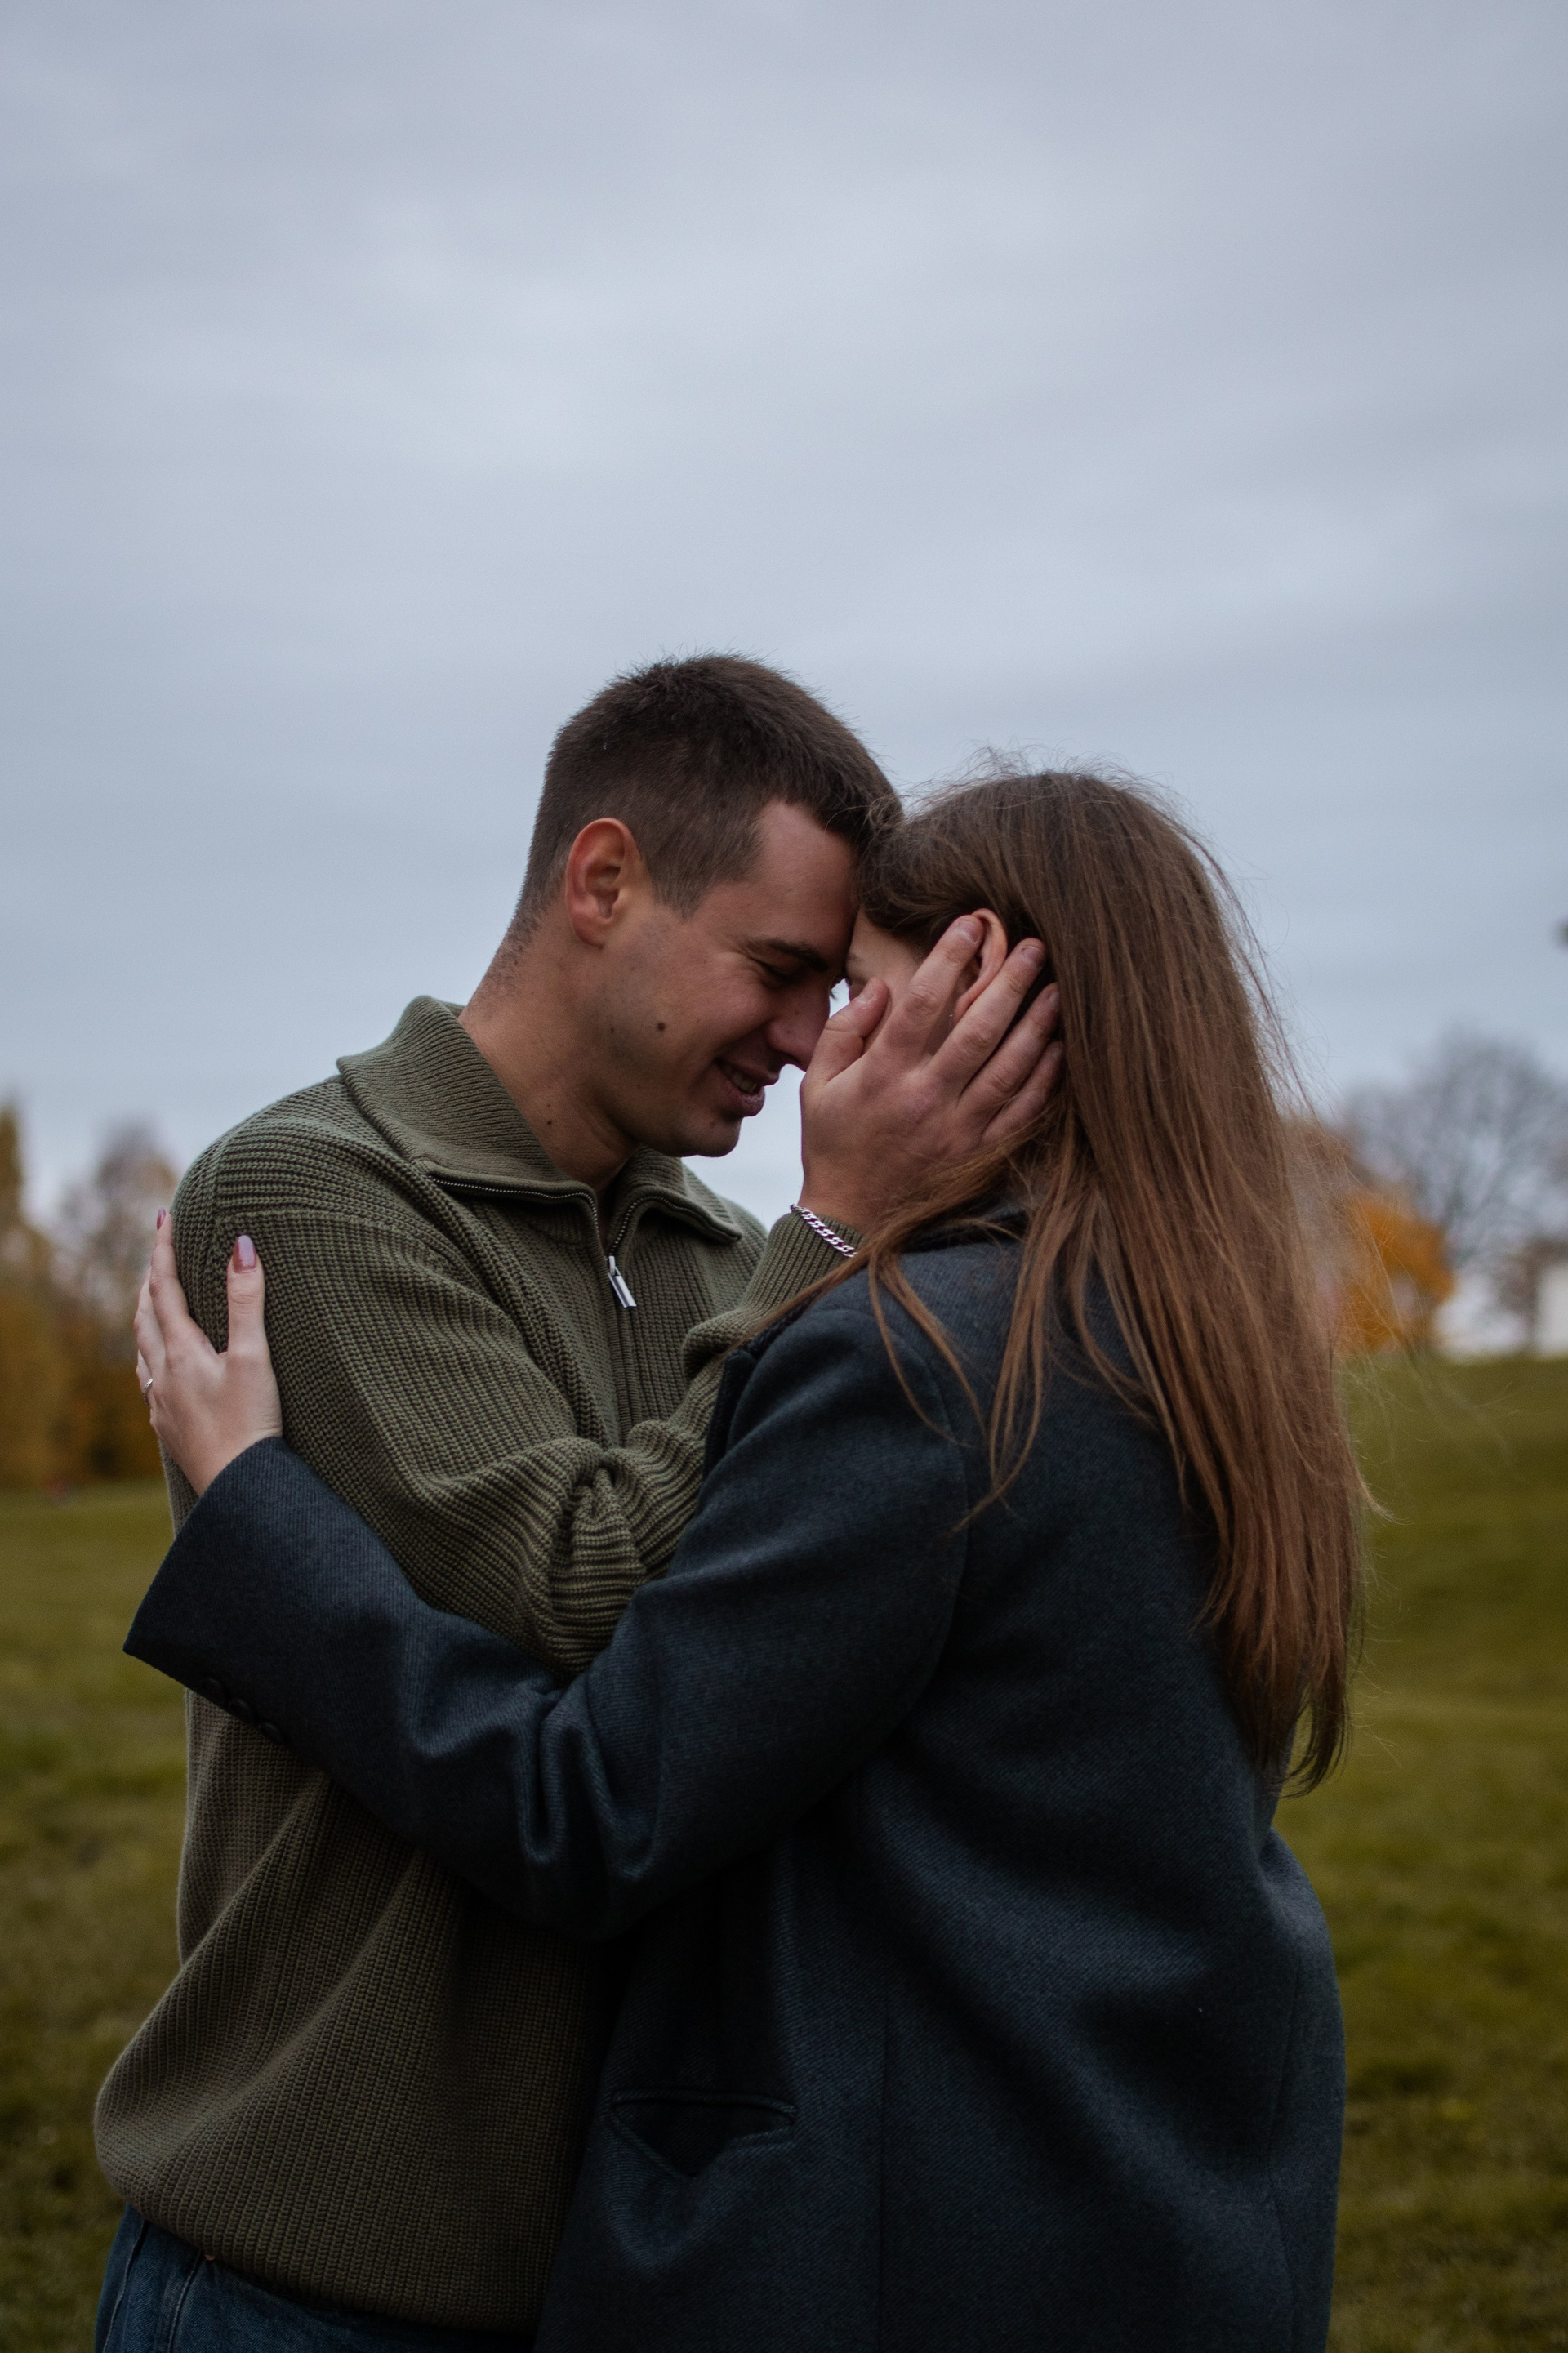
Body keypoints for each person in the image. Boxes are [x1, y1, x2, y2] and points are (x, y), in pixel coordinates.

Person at [128, 764, 1360, 2353]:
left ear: (1004, 1022)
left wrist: (255, 1518)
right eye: (797, 979)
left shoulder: (917, 1355)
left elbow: (592, 1802)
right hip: (1168, 2215)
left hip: (917, 2246)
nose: (812, 1047)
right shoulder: (1212, 1349)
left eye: (857, 996)